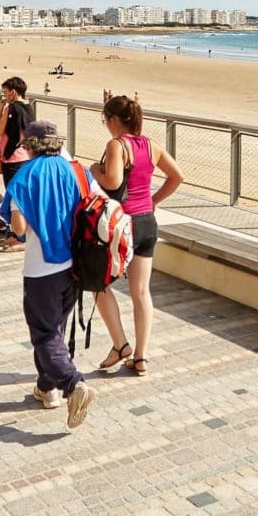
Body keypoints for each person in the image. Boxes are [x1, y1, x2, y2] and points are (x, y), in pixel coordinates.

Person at [0, 121, 96, 429]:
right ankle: (47, 388)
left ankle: (72, 383)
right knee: (56, 329)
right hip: (74, 265)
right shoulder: (76, 170)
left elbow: (19, 228)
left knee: (44, 333)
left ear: (30, 145)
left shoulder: (26, 175)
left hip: (41, 269)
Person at [90, 95, 183, 378]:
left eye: (106, 120)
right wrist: (153, 201)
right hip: (146, 223)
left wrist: (95, 171)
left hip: (122, 224)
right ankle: (141, 356)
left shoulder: (117, 146)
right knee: (141, 292)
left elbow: (114, 182)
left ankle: (120, 344)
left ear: (115, 120)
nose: (106, 125)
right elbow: (177, 176)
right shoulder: (150, 145)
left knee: (98, 282)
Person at [0, 77, 35, 246]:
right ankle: (22, 232)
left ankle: (19, 235)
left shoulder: (11, 108)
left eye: (5, 93)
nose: (4, 96)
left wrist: (1, 109)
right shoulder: (29, 108)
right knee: (22, 195)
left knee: (15, 197)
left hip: (12, 158)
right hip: (25, 156)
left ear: (13, 92)